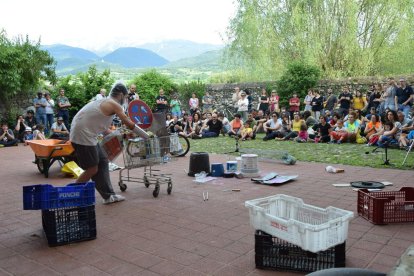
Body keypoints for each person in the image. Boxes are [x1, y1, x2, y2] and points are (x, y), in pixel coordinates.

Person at [70, 83, 149, 204]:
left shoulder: (106, 102)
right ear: (121, 95)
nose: (126, 99)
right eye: (126, 97)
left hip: (86, 134)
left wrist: (122, 135)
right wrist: (145, 135)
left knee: (102, 161)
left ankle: (108, 196)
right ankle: (71, 194)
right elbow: (127, 122)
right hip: (83, 136)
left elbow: (104, 129)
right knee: (92, 168)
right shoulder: (114, 104)